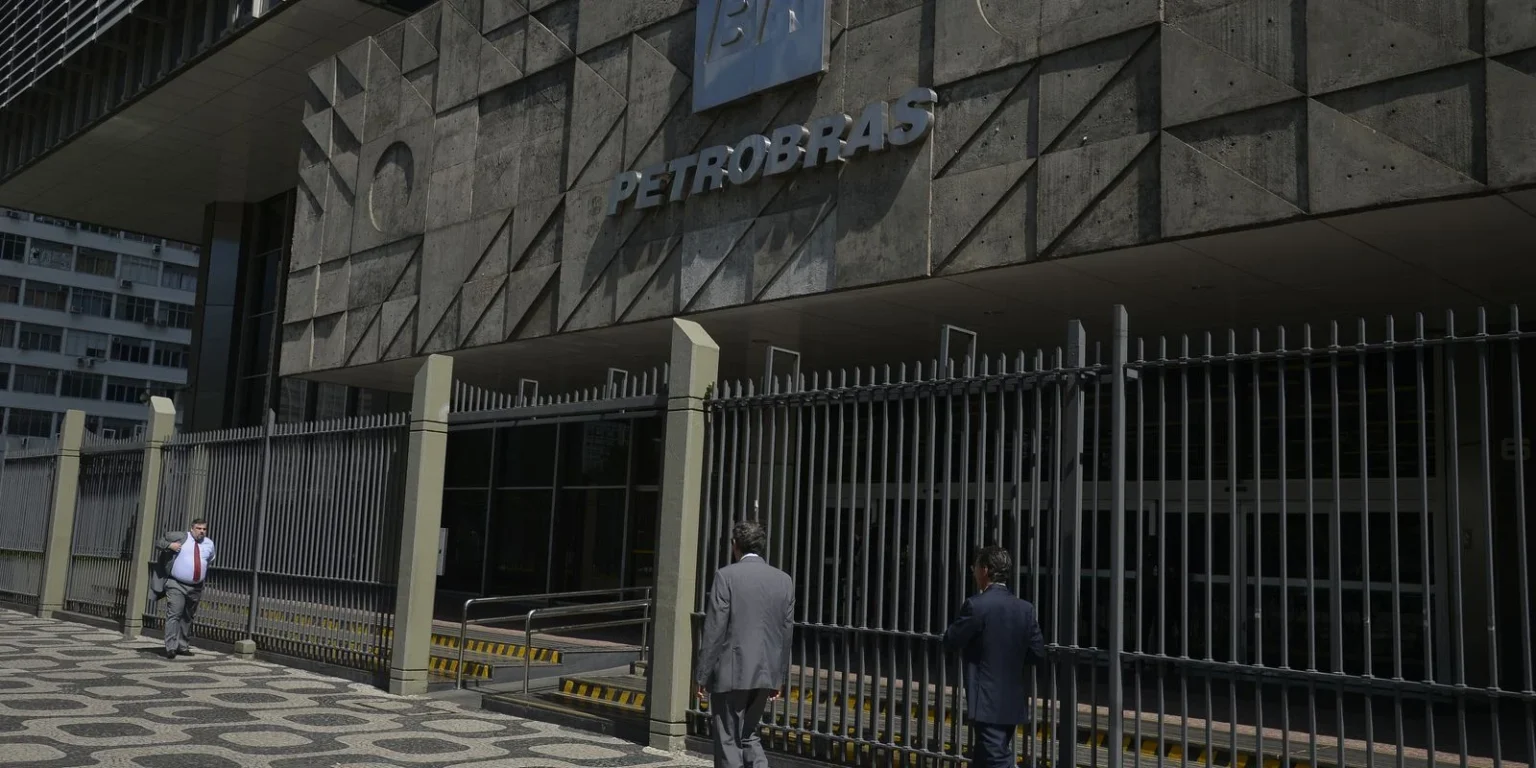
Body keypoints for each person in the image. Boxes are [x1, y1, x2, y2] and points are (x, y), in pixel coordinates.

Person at [695, 520, 795, 768]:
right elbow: (786, 633)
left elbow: (715, 629)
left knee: (728, 739)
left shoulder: (726, 576)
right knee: (749, 735)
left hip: (731, 673)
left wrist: (702, 675)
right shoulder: (784, 580)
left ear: (734, 544)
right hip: (765, 673)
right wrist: (778, 678)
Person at [943, 546, 1047, 768]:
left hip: (986, 701)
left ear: (985, 569)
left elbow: (951, 639)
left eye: (975, 567)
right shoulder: (1025, 609)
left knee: (997, 759)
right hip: (1012, 699)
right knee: (985, 758)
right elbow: (1038, 652)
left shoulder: (976, 605)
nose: (973, 572)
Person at [152, 518, 215, 659]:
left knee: (187, 616)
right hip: (176, 584)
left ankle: (182, 646)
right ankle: (171, 647)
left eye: (204, 529)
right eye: (199, 528)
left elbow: (209, 560)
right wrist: (170, 545)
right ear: (192, 528)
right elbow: (158, 543)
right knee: (174, 613)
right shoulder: (181, 537)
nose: (202, 531)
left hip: (195, 587)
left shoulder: (209, 544)